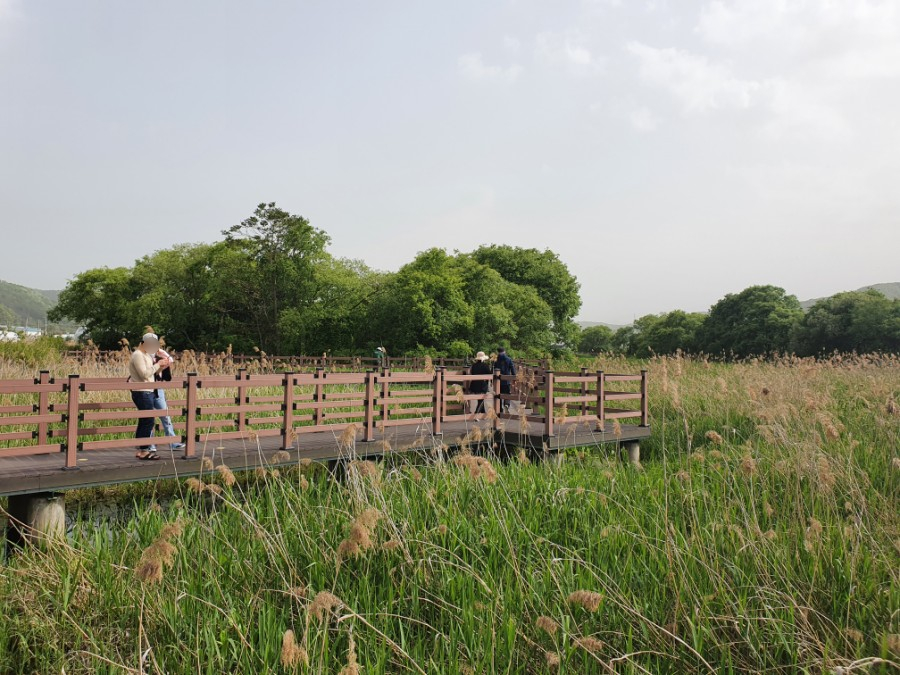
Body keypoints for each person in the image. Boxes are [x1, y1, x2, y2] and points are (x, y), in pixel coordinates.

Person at [128, 332, 170, 460]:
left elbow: (152, 374)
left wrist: (162, 366)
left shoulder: (146, 355)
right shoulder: (138, 355)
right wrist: (157, 364)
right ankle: (144, 449)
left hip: (148, 390)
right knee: (148, 420)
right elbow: (144, 374)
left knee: (144, 420)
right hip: (142, 391)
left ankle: (142, 449)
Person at [143, 327, 185, 451]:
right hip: (147, 390)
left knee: (165, 416)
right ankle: (150, 445)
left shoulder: (158, 357)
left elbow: (169, 367)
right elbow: (150, 373)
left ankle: (172, 442)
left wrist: (162, 353)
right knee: (149, 418)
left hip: (158, 389)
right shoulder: (142, 358)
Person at [495, 347, 516, 412]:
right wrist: (514, 378)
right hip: (507, 380)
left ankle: (500, 409)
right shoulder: (509, 359)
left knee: (499, 394)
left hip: (498, 381)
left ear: (498, 352)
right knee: (507, 393)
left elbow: (493, 370)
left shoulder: (496, 360)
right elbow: (512, 369)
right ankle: (506, 404)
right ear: (504, 351)